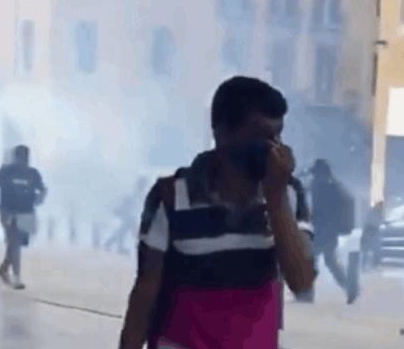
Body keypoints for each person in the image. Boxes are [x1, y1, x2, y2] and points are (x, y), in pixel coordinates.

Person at [118, 76, 315, 349]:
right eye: (261, 137)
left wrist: (276, 199)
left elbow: (302, 281)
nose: (273, 148)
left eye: (277, 136)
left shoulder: (288, 195)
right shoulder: (172, 197)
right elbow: (145, 294)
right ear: (222, 134)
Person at [0, 145, 47, 290]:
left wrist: (41, 197)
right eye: (20, 157)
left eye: (25, 157)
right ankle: (17, 277)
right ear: (15, 157)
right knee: (14, 240)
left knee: (18, 244)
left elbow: (43, 189)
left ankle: (3, 268)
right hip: (8, 210)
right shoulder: (5, 171)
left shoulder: (33, 174)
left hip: (27, 212)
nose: (22, 160)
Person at [307, 158, 356, 304]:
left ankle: (306, 292)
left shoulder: (319, 185)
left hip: (321, 229)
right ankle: (350, 287)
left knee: (311, 261)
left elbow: (316, 207)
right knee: (330, 262)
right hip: (330, 230)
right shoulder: (333, 186)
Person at [105, 177, 149, 254]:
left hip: (131, 216)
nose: (144, 186)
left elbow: (139, 205)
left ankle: (110, 244)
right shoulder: (134, 193)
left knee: (123, 232)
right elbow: (127, 203)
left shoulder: (139, 194)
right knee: (131, 233)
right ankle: (115, 246)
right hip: (129, 216)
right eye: (143, 184)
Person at [361, 201, 385, 270]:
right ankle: (363, 266)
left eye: (381, 206)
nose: (380, 208)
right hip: (369, 231)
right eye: (379, 206)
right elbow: (372, 222)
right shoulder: (371, 212)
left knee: (376, 249)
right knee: (366, 250)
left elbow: (380, 222)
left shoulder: (379, 213)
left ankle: (374, 265)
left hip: (374, 232)